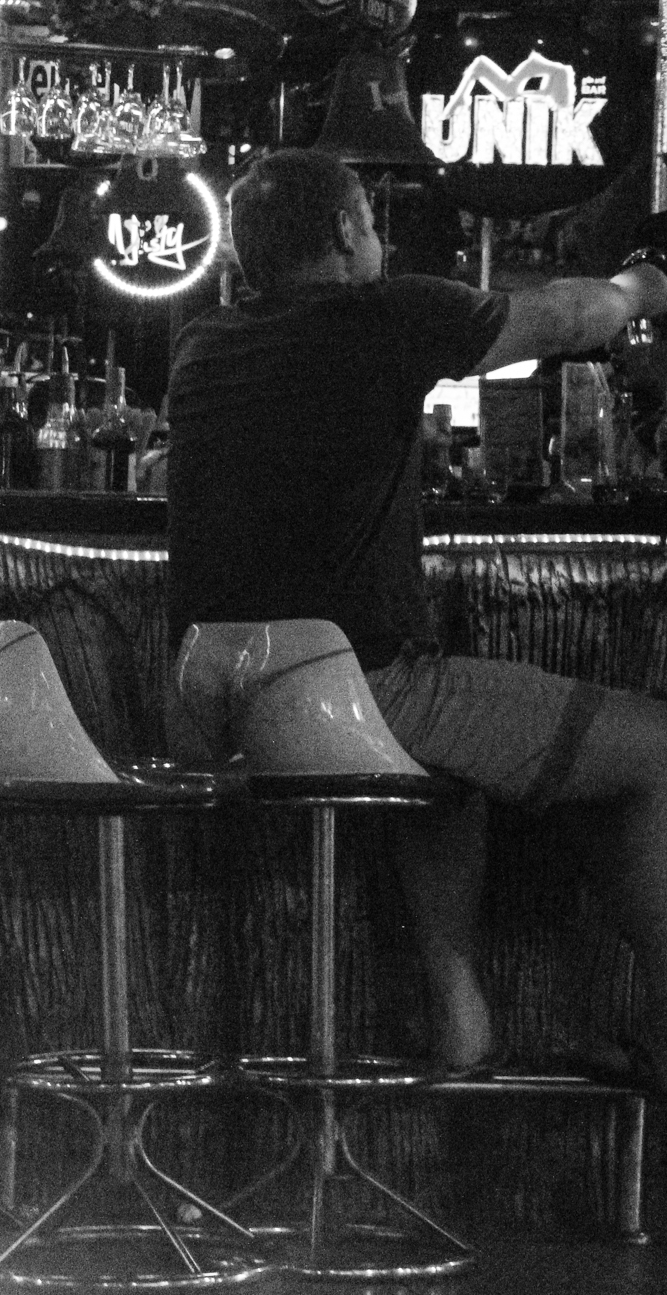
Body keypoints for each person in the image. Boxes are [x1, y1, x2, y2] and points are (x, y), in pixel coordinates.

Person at [167, 147, 667, 1080]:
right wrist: (649, 281)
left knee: (452, 761)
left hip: (203, 698)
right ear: (348, 230)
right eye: (369, 215)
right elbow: (571, 315)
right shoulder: (387, 315)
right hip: (343, 693)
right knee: (651, 749)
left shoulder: (204, 342)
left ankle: (460, 1020)